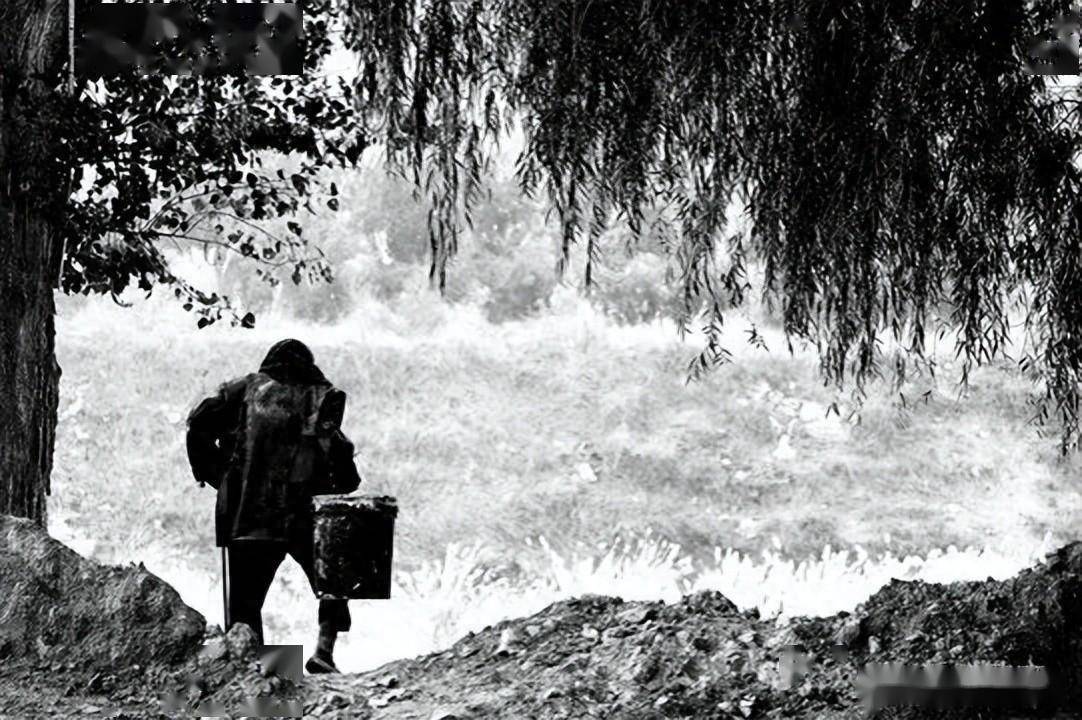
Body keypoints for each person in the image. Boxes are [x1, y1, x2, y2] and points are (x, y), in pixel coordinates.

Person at [186, 338, 362, 674]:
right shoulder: (322, 396)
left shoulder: (243, 390)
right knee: (335, 580)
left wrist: (221, 477)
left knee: (245, 608)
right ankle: (324, 650)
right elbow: (341, 464)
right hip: (307, 517)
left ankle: (274, 677)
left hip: (251, 517)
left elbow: (198, 424)